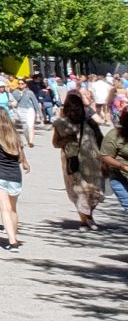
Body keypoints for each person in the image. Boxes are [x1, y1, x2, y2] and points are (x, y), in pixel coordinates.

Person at [53, 92, 106, 226]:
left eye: (76, 108)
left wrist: (105, 160)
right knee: (79, 191)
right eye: (71, 108)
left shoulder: (89, 122)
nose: (74, 111)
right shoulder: (60, 123)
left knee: (93, 191)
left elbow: (100, 139)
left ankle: (89, 215)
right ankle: (85, 220)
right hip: (72, 161)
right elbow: (55, 143)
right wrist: (67, 139)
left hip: (93, 161)